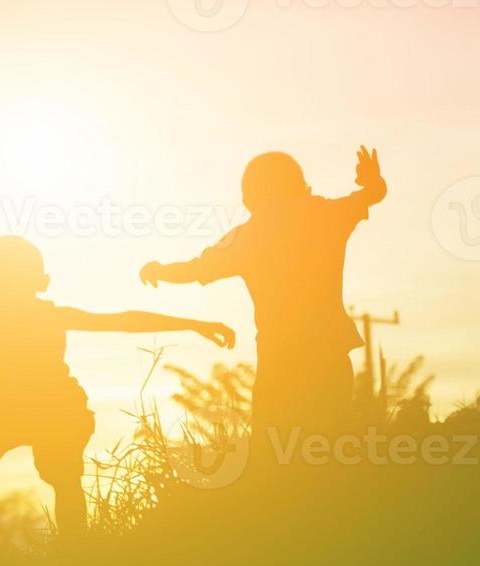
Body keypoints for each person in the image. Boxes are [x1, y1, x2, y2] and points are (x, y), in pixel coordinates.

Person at [0, 236, 235, 536]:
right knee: (30, 477)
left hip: (40, 408)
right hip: (32, 407)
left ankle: (16, 555)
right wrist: (196, 324)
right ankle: (20, 554)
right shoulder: (16, 315)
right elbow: (122, 319)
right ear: (42, 280)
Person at [140, 148, 386, 461]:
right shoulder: (325, 214)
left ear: (249, 197)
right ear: (301, 185)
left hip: (279, 359)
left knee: (273, 453)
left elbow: (197, 269)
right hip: (330, 353)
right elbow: (372, 196)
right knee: (334, 448)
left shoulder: (247, 236)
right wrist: (372, 181)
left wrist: (159, 270)